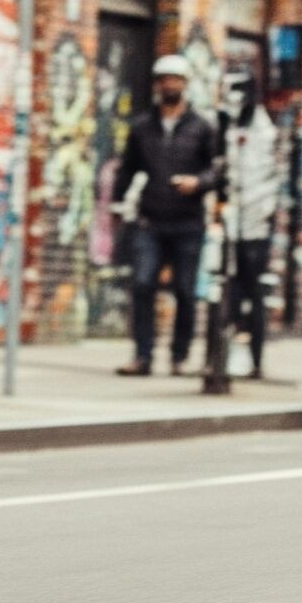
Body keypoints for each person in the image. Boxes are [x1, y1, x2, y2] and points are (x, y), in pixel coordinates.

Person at [116, 55, 219, 377]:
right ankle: (143, 355)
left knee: (185, 291)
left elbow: (217, 169)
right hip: (151, 219)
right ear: (156, 85)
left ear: (185, 85)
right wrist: (117, 206)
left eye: (175, 79)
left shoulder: (202, 127)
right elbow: (127, 169)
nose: (169, 85)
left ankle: (179, 356)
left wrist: (198, 183)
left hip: (188, 221)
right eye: (163, 80)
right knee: (143, 284)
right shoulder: (142, 127)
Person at [217, 68, 282, 377]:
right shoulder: (223, 126)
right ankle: (222, 357)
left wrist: (253, 222)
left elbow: (264, 180)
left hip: (253, 228)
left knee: (253, 293)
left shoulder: (263, 131)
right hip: (229, 225)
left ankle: (254, 359)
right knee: (226, 294)